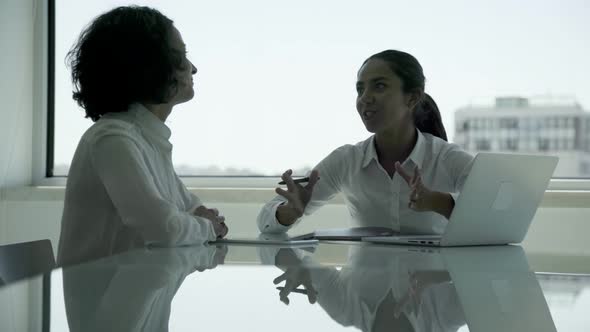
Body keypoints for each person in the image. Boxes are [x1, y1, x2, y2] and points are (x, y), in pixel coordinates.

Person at [57, 6, 227, 267]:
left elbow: (191, 212)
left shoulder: (147, 139)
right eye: (181, 56)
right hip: (107, 306)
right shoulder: (113, 139)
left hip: (133, 293)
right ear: (150, 67)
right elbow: (164, 229)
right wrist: (206, 226)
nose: (193, 69)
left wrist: (202, 222)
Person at [257, 50, 474, 235]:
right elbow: (264, 222)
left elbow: (499, 219)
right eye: (360, 89)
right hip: (363, 283)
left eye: (379, 86)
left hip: (431, 283)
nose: (365, 98)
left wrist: (440, 202)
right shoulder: (347, 160)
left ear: (412, 97)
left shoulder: (447, 158)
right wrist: (290, 212)